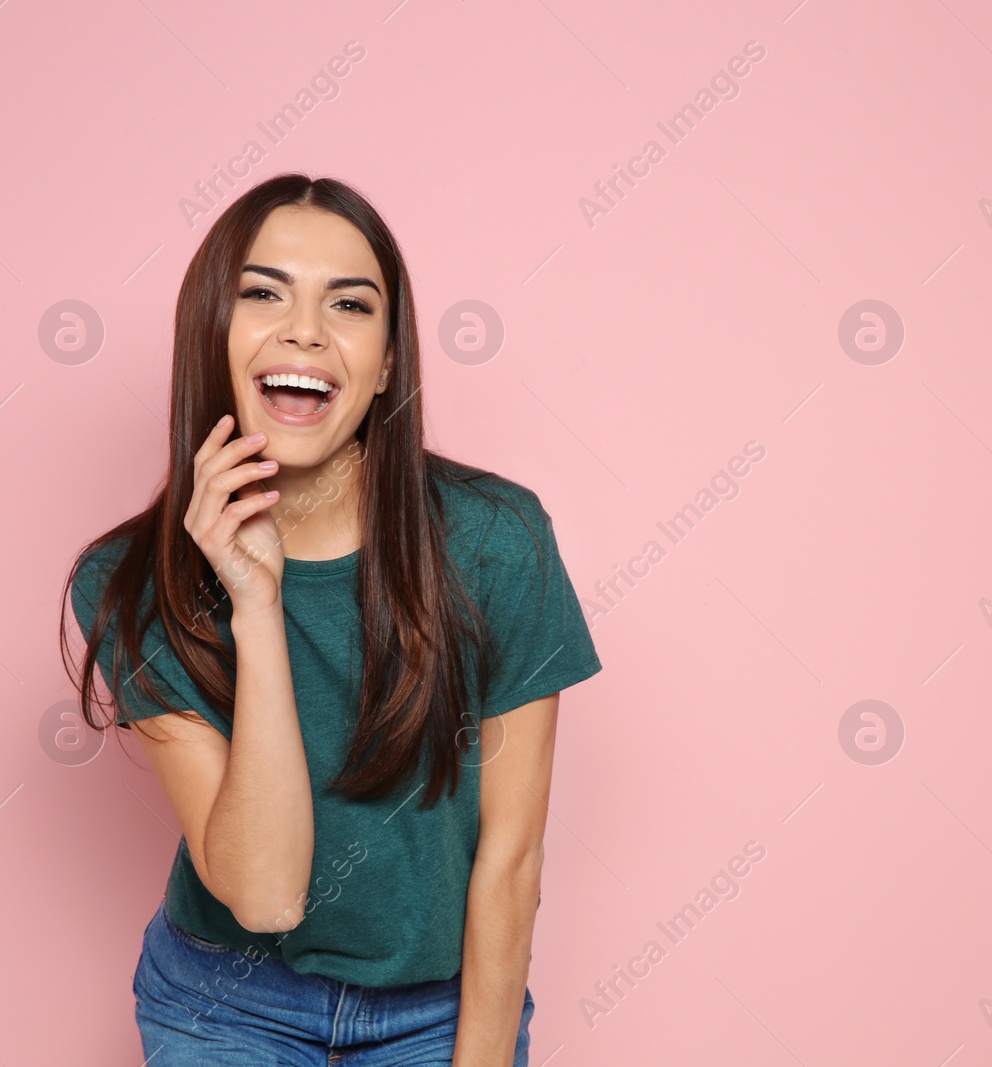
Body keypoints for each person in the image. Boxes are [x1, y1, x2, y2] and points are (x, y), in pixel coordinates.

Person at [60, 173, 602, 1065]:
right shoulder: (126, 583)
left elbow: (511, 856)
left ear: (387, 361)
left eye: (349, 304)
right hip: (224, 1002)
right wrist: (257, 603)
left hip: (437, 1008)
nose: (305, 328)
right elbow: (267, 894)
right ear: (212, 336)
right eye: (264, 292)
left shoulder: (495, 542)